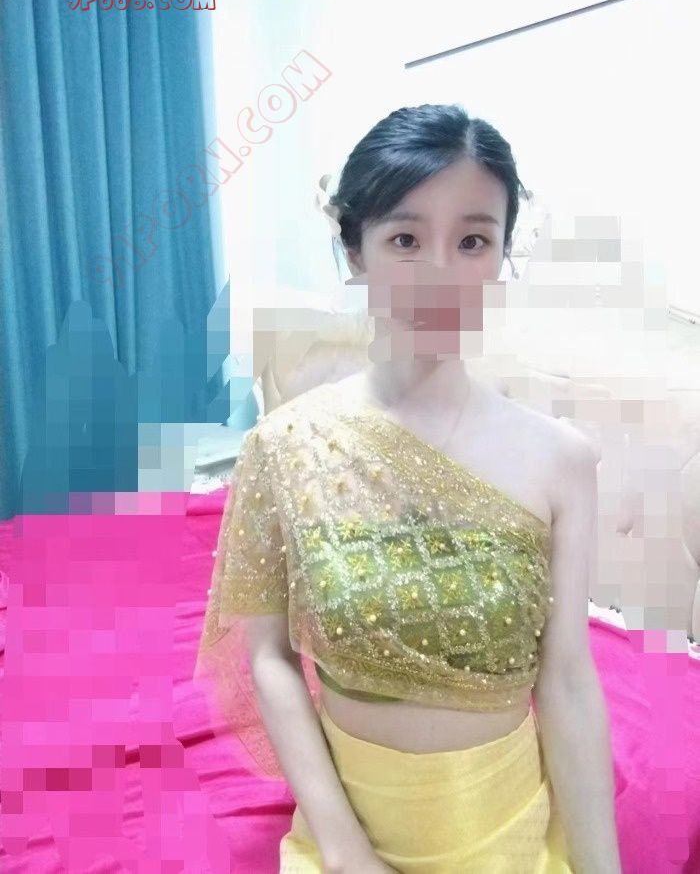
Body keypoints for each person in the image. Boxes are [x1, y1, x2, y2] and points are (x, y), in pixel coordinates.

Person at [195, 103, 622, 873]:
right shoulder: (284, 448)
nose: (440, 275)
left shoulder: (560, 460)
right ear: (354, 250)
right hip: (347, 835)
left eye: (472, 241)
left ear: (501, 256)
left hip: (506, 833)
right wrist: (344, 851)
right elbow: (270, 659)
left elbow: (566, 679)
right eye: (405, 239)